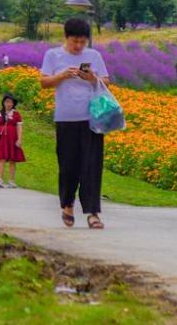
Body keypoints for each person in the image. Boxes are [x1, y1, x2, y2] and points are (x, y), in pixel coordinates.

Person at [41, 16, 110, 229]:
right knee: (68, 165)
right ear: (66, 37)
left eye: (82, 42)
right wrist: (62, 75)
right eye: (75, 42)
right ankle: (67, 205)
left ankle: (92, 212)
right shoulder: (53, 55)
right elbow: (44, 82)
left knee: (91, 166)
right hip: (66, 118)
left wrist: (92, 79)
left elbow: (106, 81)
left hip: (91, 119)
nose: (79, 46)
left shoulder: (94, 55)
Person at [0, 92, 27, 188]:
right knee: (2, 159)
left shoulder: (16, 114)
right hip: (1, 139)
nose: (9, 104)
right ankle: (0, 179)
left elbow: (19, 127)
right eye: (7, 101)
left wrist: (19, 139)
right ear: (3, 102)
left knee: (13, 159)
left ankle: (11, 180)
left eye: (11, 102)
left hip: (13, 139)